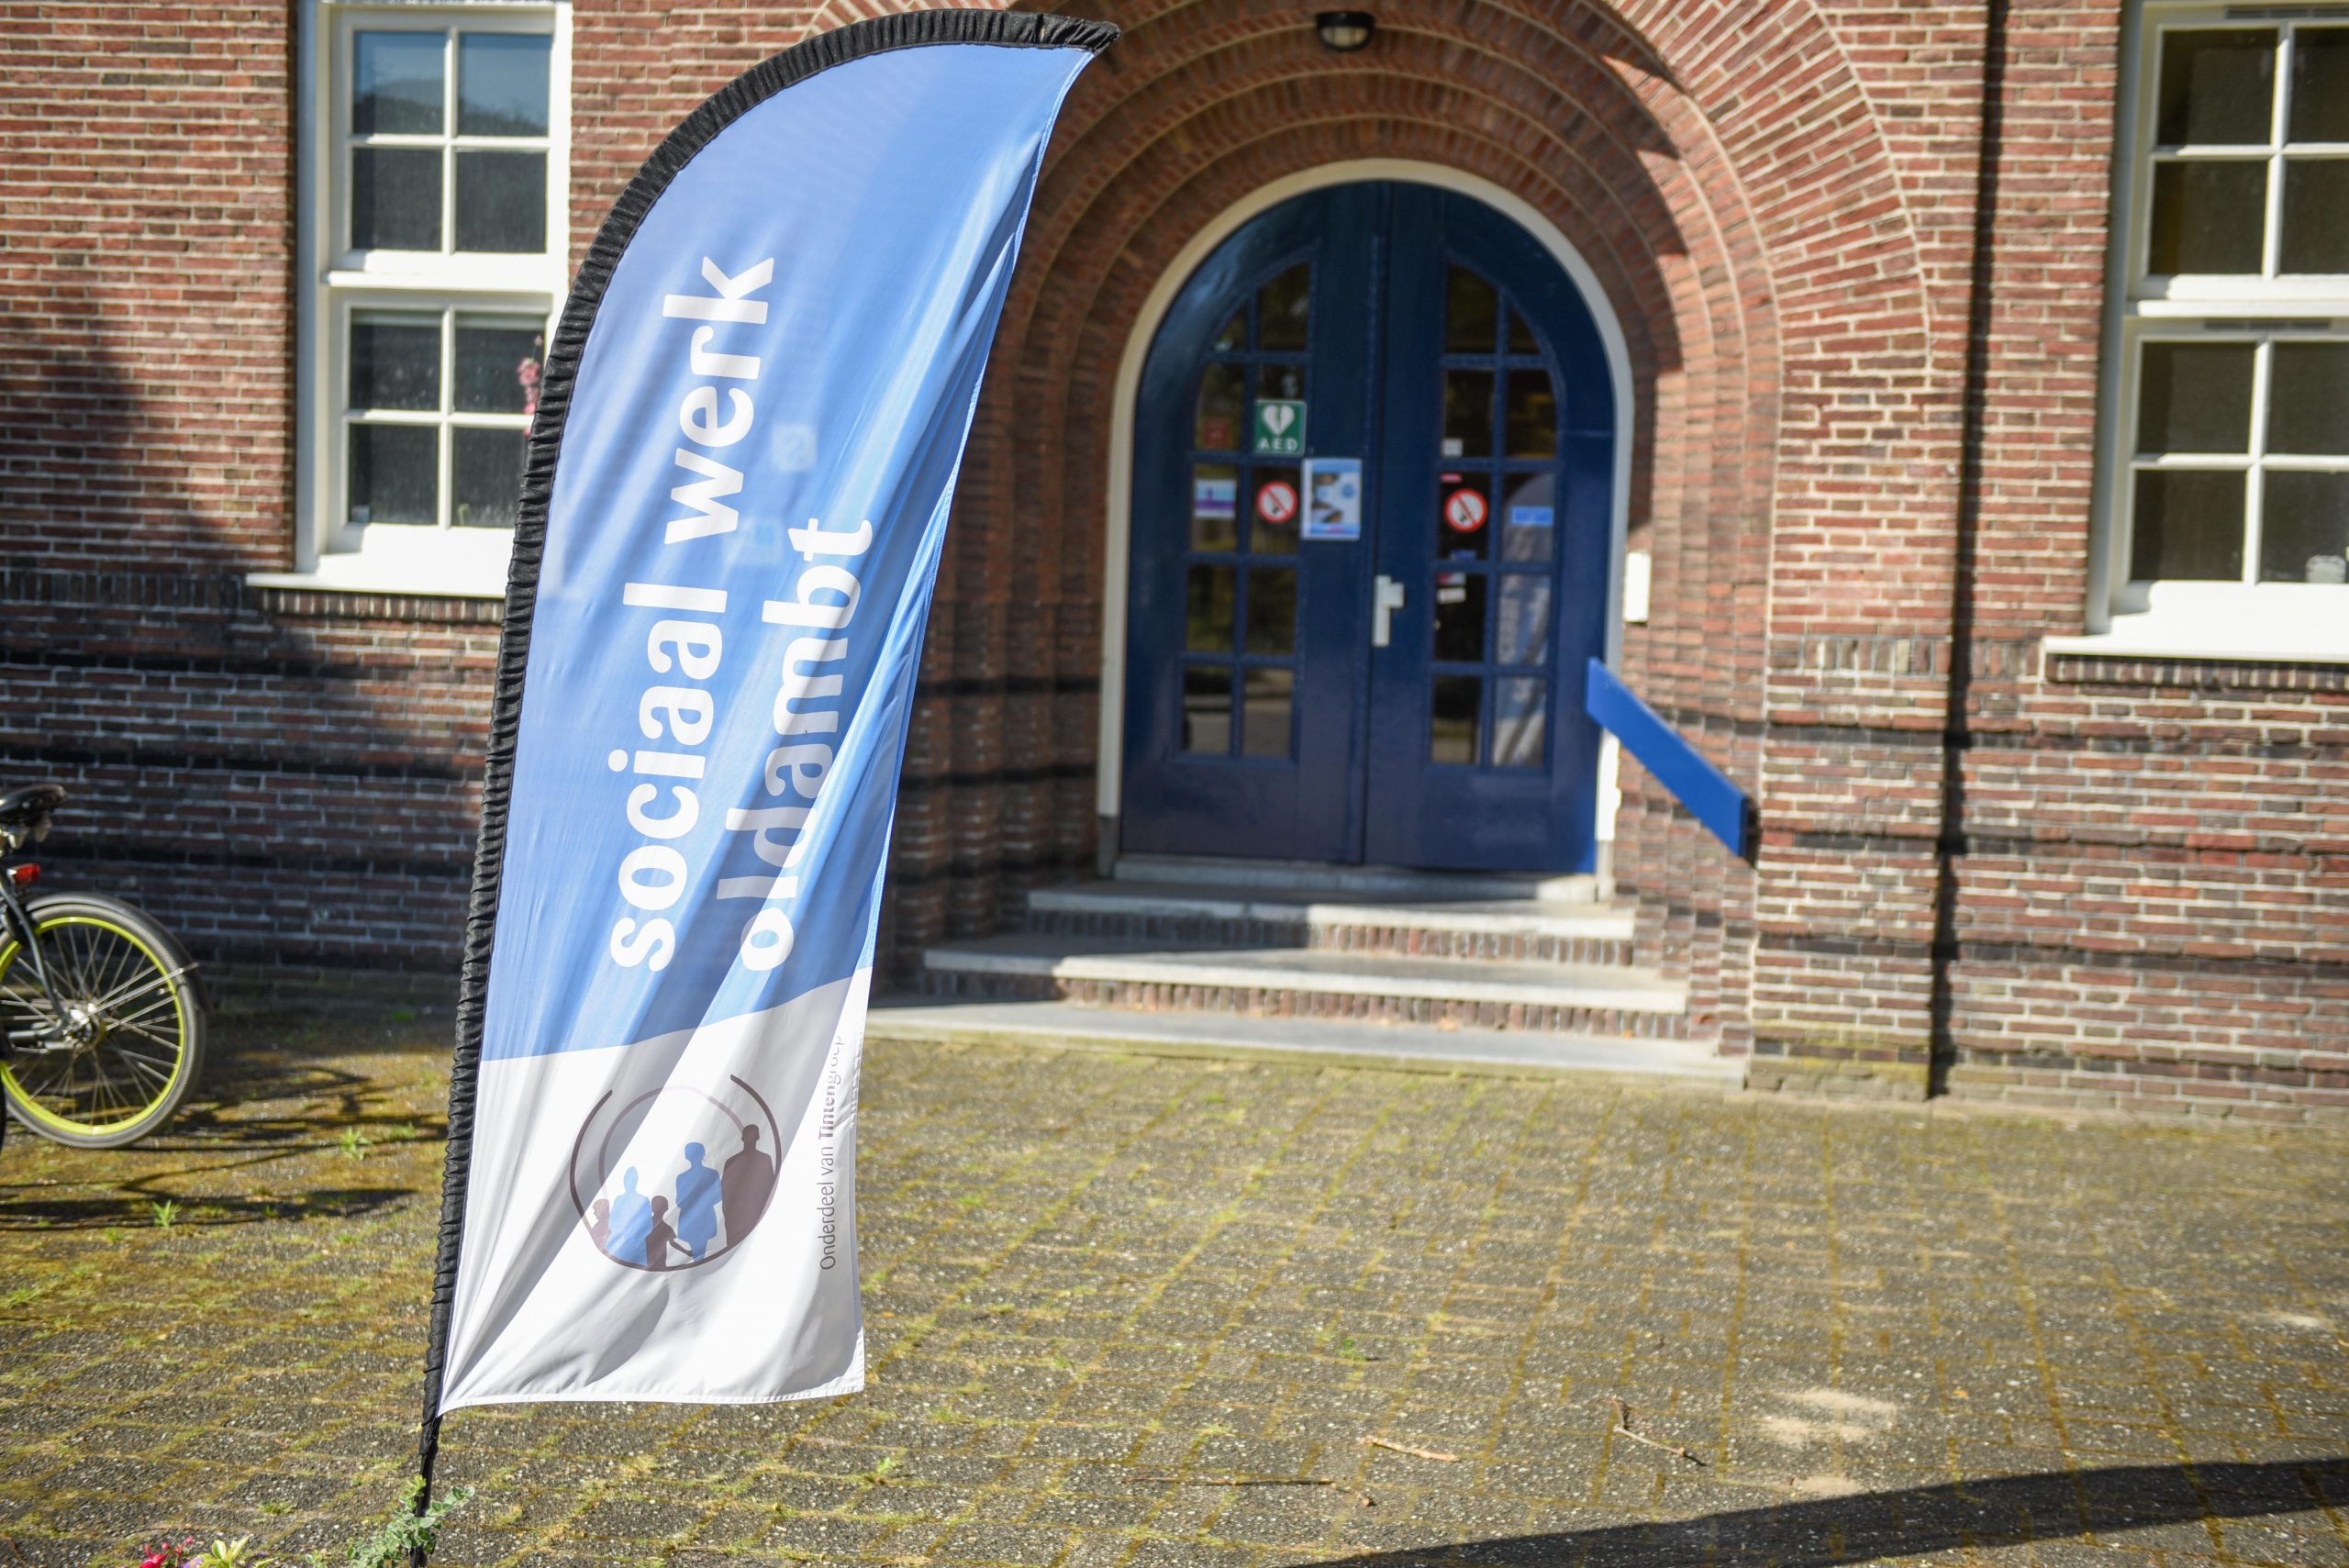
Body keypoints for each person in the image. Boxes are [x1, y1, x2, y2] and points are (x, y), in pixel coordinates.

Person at [721, 1124, 775, 1249]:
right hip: (737, 1216)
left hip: (756, 1213)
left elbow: (770, 1187)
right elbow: (725, 1190)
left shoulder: (764, 1160)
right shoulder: (732, 1161)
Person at [674, 1142, 721, 1261]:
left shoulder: (711, 1174)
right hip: (691, 1219)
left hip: (703, 1218)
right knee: (698, 1253)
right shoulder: (681, 1178)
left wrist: (701, 1203)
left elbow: (719, 1195)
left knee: (700, 1252)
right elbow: (679, 1201)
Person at [607, 1167, 652, 1263]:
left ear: (636, 1181)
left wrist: (636, 1239)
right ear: (624, 1181)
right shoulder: (618, 1200)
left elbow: (648, 1225)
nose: (630, 1182)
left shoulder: (643, 1200)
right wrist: (622, 1235)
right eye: (627, 1179)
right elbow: (612, 1223)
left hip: (637, 1246)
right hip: (620, 1246)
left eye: (632, 1179)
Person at [643, 1195, 692, 1271]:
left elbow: (673, 1243)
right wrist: (686, 1252)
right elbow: (673, 1243)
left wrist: (686, 1252)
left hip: (658, 1264)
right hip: (652, 1265)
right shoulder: (650, 1226)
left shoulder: (665, 1227)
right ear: (666, 1208)